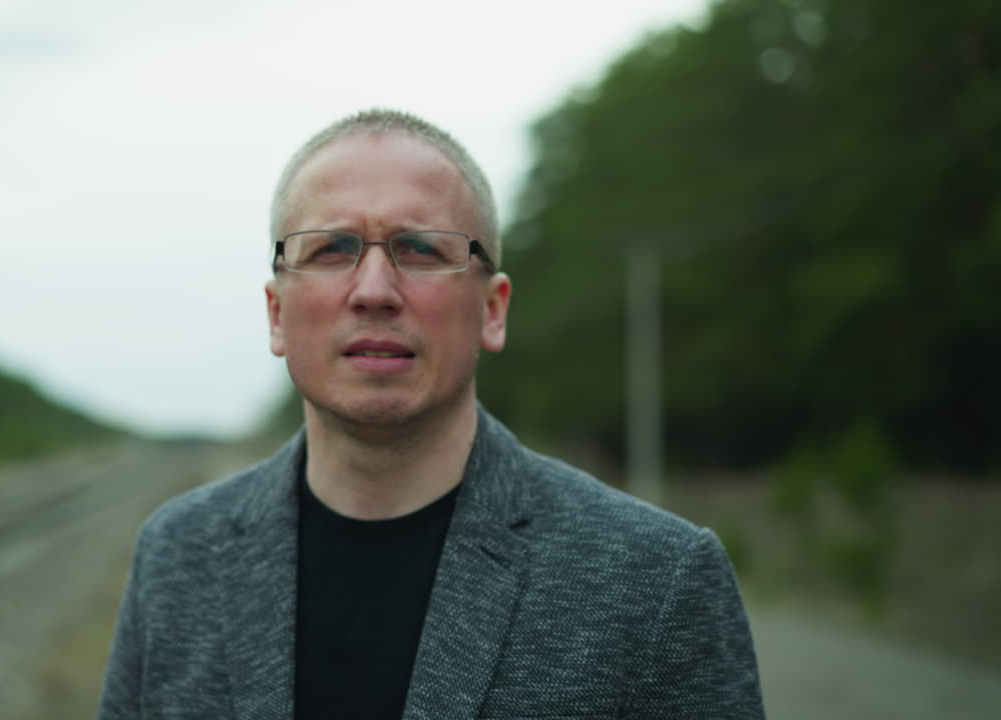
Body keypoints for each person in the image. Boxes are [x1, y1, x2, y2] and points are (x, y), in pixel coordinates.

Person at [98, 109, 765, 719]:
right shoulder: (178, 555)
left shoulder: (656, 581)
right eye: (332, 249)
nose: (375, 291)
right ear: (277, 314)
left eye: (420, 248)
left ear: (493, 309)